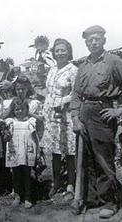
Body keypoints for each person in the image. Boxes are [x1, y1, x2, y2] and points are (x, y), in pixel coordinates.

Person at [70, 25, 122, 219]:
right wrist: (75, 117)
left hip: (103, 113)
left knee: (103, 158)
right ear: (85, 42)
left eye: (97, 39)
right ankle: (90, 199)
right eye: (90, 40)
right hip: (84, 112)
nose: (93, 42)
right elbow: (76, 94)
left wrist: (120, 109)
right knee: (86, 159)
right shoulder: (83, 65)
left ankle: (109, 201)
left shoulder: (113, 61)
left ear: (103, 41)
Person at [40, 38, 78, 200]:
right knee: (55, 151)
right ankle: (56, 183)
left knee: (69, 151)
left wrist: (62, 102)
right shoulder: (52, 69)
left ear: (69, 52)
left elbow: (76, 93)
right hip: (51, 115)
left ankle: (70, 184)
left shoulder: (73, 70)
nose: (60, 53)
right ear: (54, 53)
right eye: (57, 50)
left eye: (63, 50)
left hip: (66, 115)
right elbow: (49, 92)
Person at [5, 97, 39, 209]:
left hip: (27, 152)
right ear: (13, 110)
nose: (19, 112)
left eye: (22, 109)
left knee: (27, 174)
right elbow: (7, 137)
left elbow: (35, 137)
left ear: (27, 109)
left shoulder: (31, 122)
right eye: (17, 110)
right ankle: (17, 196)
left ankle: (28, 197)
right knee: (16, 175)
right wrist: (6, 134)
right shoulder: (11, 122)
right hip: (15, 152)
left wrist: (38, 150)